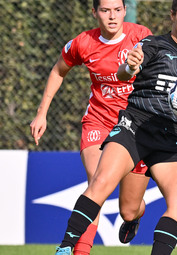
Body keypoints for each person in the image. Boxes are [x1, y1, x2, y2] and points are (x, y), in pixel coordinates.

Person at [53, 0, 177, 254]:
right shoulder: (151, 44)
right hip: (134, 129)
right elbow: (125, 72)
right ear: (172, 17)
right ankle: (66, 247)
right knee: (100, 182)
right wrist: (130, 66)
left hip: (171, 138)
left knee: (176, 203)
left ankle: (134, 221)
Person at [30, 0, 152, 253]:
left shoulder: (141, 35)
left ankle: (135, 217)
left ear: (124, 11)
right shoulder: (83, 43)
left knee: (129, 209)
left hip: (134, 126)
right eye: (105, 10)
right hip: (99, 121)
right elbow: (58, 71)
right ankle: (78, 250)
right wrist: (42, 113)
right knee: (96, 184)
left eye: (117, 10)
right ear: (94, 12)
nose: (112, 16)